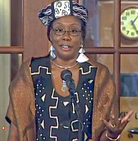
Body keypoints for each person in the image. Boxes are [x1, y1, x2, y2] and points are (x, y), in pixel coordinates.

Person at [6, 0, 133, 141]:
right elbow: (16, 130)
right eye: (59, 30)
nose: (66, 37)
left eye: (73, 31)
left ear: (82, 37)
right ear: (50, 35)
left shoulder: (98, 74)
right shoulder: (31, 71)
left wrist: (112, 135)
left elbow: (105, 132)